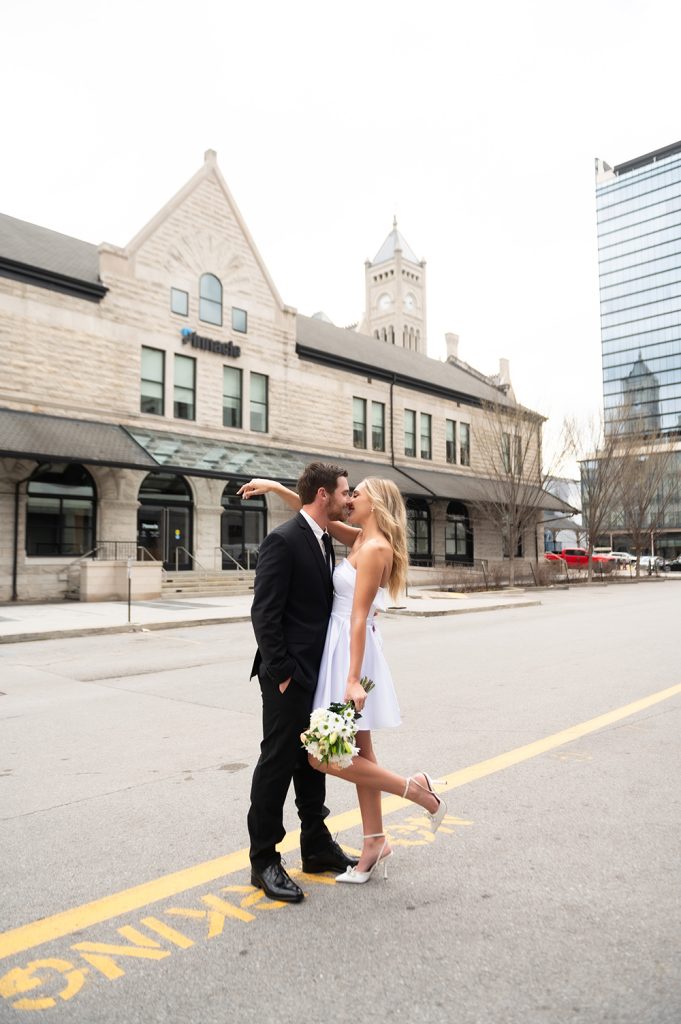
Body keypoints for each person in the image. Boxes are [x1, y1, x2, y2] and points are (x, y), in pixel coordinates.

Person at [240, 473, 447, 887]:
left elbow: (357, 617)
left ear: (376, 505)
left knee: (322, 756)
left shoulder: (373, 547)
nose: (350, 499)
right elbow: (314, 514)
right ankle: (373, 840)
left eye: (357, 494)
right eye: (345, 492)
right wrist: (277, 489)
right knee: (349, 754)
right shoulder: (354, 538)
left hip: (349, 659)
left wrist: (352, 679)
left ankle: (415, 789)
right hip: (331, 656)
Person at [246, 462, 358, 904]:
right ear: (324, 495)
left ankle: (314, 845)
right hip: (288, 678)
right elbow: (264, 614)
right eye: (344, 493)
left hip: (319, 675)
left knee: (313, 759)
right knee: (276, 763)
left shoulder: (321, 535)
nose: (349, 499)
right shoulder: (284, 539)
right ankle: (263, 860)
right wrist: (284, 674)